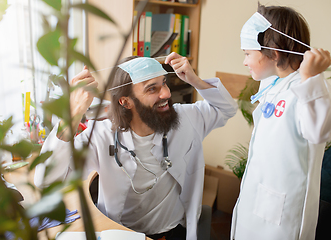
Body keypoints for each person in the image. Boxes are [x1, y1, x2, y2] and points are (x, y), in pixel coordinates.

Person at [34, 53, 238, 240]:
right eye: (152, 88)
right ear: (125, 101)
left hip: (173, 230)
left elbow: (228, 108)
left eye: (164, 83)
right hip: (122, 233)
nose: (166, 93)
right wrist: (72, 114)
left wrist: (194, 80)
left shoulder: (186, 119)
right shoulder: (102, 134)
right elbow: (46, 180)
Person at [231, 3, 331, 240]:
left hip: (282, 214)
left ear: (274, 52)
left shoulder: (309, 85)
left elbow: (322, 131)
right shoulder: (273, 83)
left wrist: (311, 76)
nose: (244, 61)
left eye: (248, 53)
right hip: (256, 200)